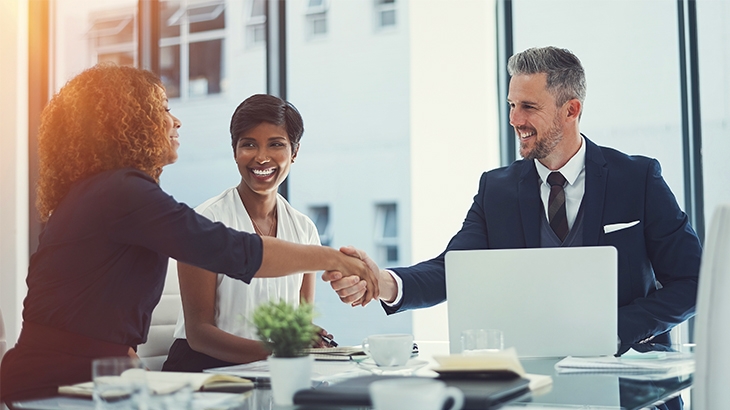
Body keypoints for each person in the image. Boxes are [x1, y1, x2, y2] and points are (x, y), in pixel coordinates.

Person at [0, 64, 377, 404]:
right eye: (163, 110)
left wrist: (125, 357)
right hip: (54, 386)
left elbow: (92, 309)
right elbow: (231, 249)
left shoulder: (104, 191)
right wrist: (332, 257)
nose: (176, 122)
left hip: (82, 377)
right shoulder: (123, 192)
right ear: (132, 120)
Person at [325, 46, 701, 356]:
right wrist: (384, 282)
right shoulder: (496, 189)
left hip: (631, 382)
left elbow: (692, 281)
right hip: (531, 385)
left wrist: (615, 331)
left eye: (528, 107)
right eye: (511, 105)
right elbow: (453, 269)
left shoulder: (638, 179)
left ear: (571, 110)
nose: (514, 119)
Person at [162, 94, 333, 372]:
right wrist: (278, 352)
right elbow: (199, 334)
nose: (262, 157)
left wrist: (306, 337)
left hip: (268, 371)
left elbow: (299, 323)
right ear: (234, 151)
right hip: (204, 370)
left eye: (276, 144)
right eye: (249, 144)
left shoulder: (304, 228)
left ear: (295, 152)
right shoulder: (207, 220)